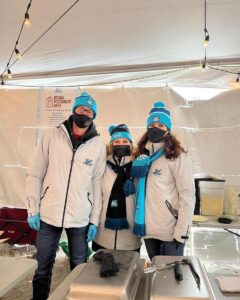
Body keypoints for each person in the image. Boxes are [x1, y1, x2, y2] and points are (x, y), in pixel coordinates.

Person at [26, 92, 106, 300]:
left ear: (94, 115)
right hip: (48, 214)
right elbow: (35, 173)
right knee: (42, 267)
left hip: (79, 217)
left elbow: (97, 183)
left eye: (89, 110)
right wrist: (33, 208)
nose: (85, 113)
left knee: (79, 269)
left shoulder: (97, 145)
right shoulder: (52, 136)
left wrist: (94, 220)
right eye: (81, 108)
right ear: (74, 110)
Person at [131, 101, 195, 260]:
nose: (156, 128)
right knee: (155, 272)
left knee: (170, 278)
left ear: (168, 130)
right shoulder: (142, 156)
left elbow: (187, 194)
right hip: (148, 229)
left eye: (161, 125)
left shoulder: (177, 156)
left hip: (171, 232)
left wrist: (182, 232)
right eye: (152, 124)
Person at [92, 124, 141, 252]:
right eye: (117, 141)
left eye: (125, 141)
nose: (121, 144)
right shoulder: (103, 166)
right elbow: (96, 198)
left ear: (130, 145)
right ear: (111, 145)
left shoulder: (137, 168)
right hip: (103, 237)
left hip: (130, 238)